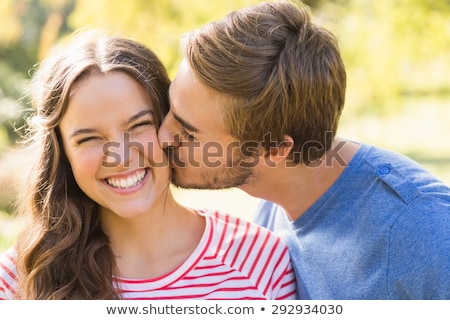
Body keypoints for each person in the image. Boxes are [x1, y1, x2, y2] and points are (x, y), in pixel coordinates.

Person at [157, 0, 450, 299]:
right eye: (170, 108)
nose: (162, 135)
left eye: (188, 133)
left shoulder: (423, 229)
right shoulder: (275, 200)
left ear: (274, 150)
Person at [0, 30, 297, 299]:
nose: (121, 156)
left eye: (139, 125)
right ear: (63, 153)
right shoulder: (20, 279)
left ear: (170, 123)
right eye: (89, 138)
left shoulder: (261, 261)